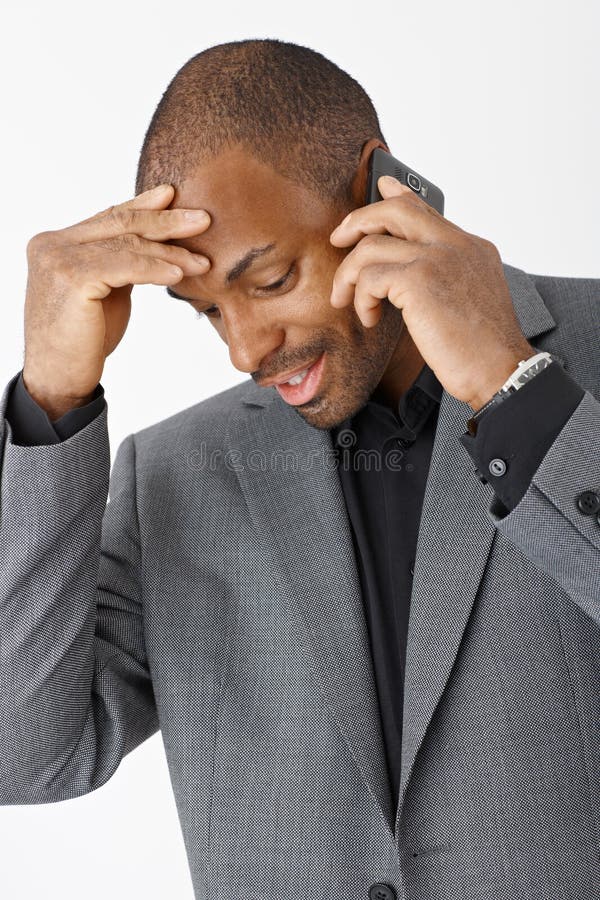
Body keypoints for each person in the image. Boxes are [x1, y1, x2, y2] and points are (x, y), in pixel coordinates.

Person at [1, 38, 598, 900]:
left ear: (375, 190)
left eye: (272, 279)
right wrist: (52, 402)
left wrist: (510, 387)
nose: (246, 348)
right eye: (207, 312)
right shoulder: (173, 474)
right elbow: (28, 756)